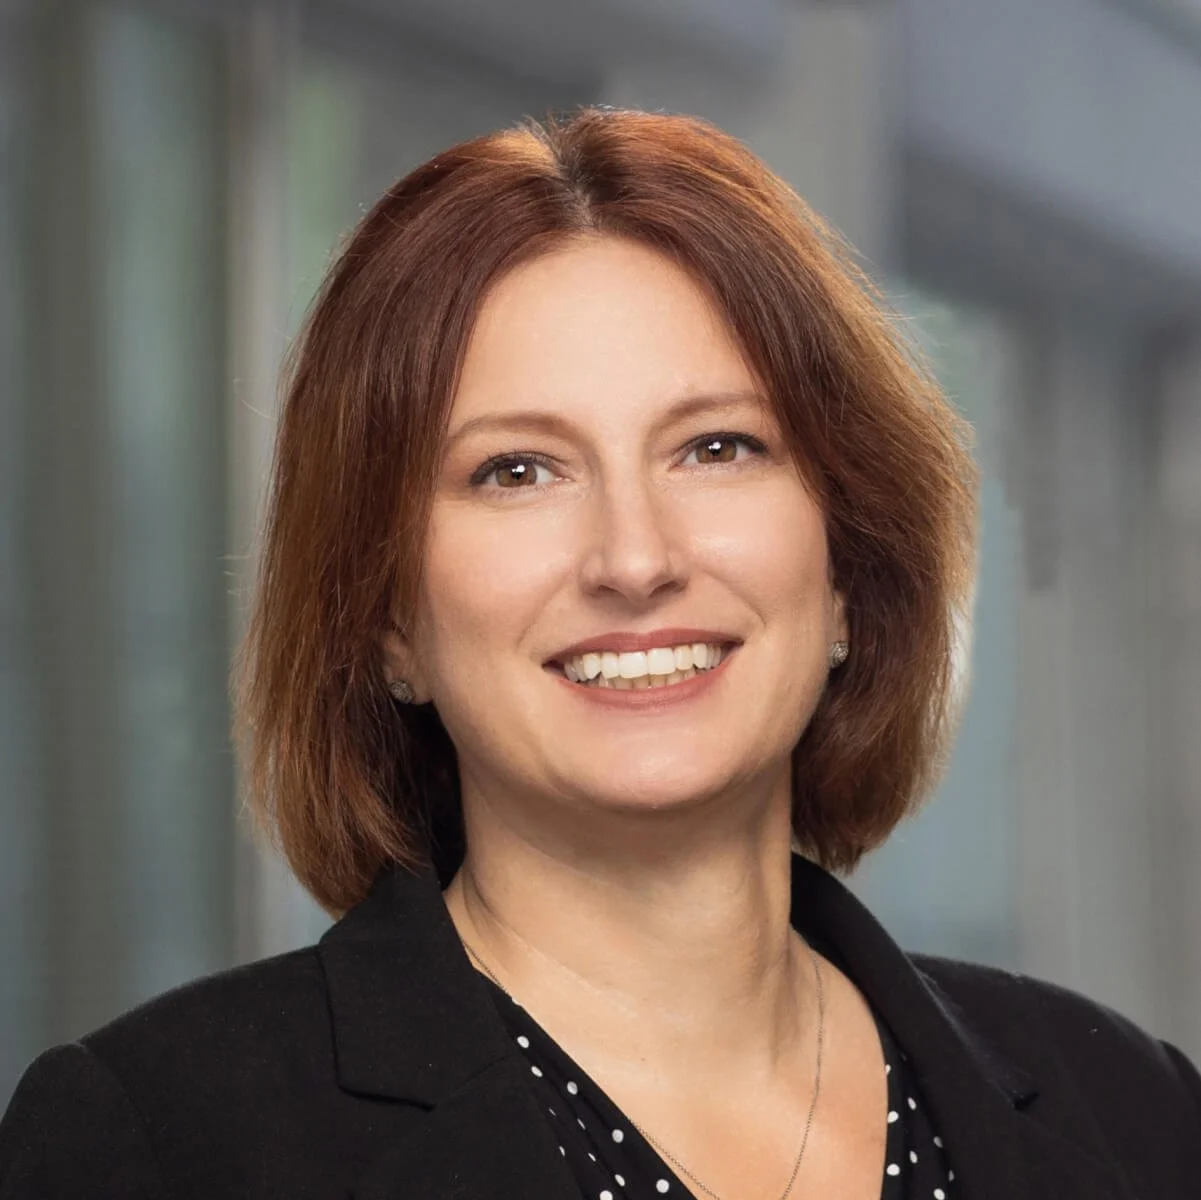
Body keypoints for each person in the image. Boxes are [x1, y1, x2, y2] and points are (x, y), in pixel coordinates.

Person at [1, 107, 1198, 1200]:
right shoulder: (155, 1144)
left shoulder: (1140, 1114)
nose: (634, 558)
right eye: (515, 472)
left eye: (717, 448)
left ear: (846, 567)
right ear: (386, 621)